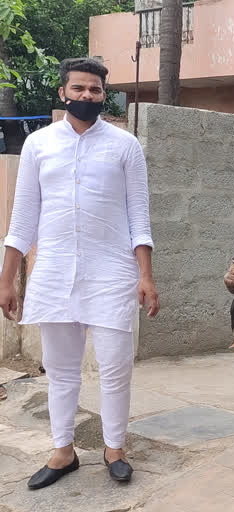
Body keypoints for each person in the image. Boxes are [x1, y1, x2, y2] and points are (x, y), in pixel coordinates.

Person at [0, 58, 159, 489]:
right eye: (79, 89)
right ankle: (62, 450)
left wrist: (146, 275)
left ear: (104, 95)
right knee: (61, 369)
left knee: (114, 366)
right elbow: (23, 217)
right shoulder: (39, 145)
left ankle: (114, 448)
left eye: (95, 90)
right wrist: (8, 279)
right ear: (63, 93)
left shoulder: (126, 146)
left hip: (112, 274)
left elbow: (138, 217)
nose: (87, 96)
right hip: (53, 272)